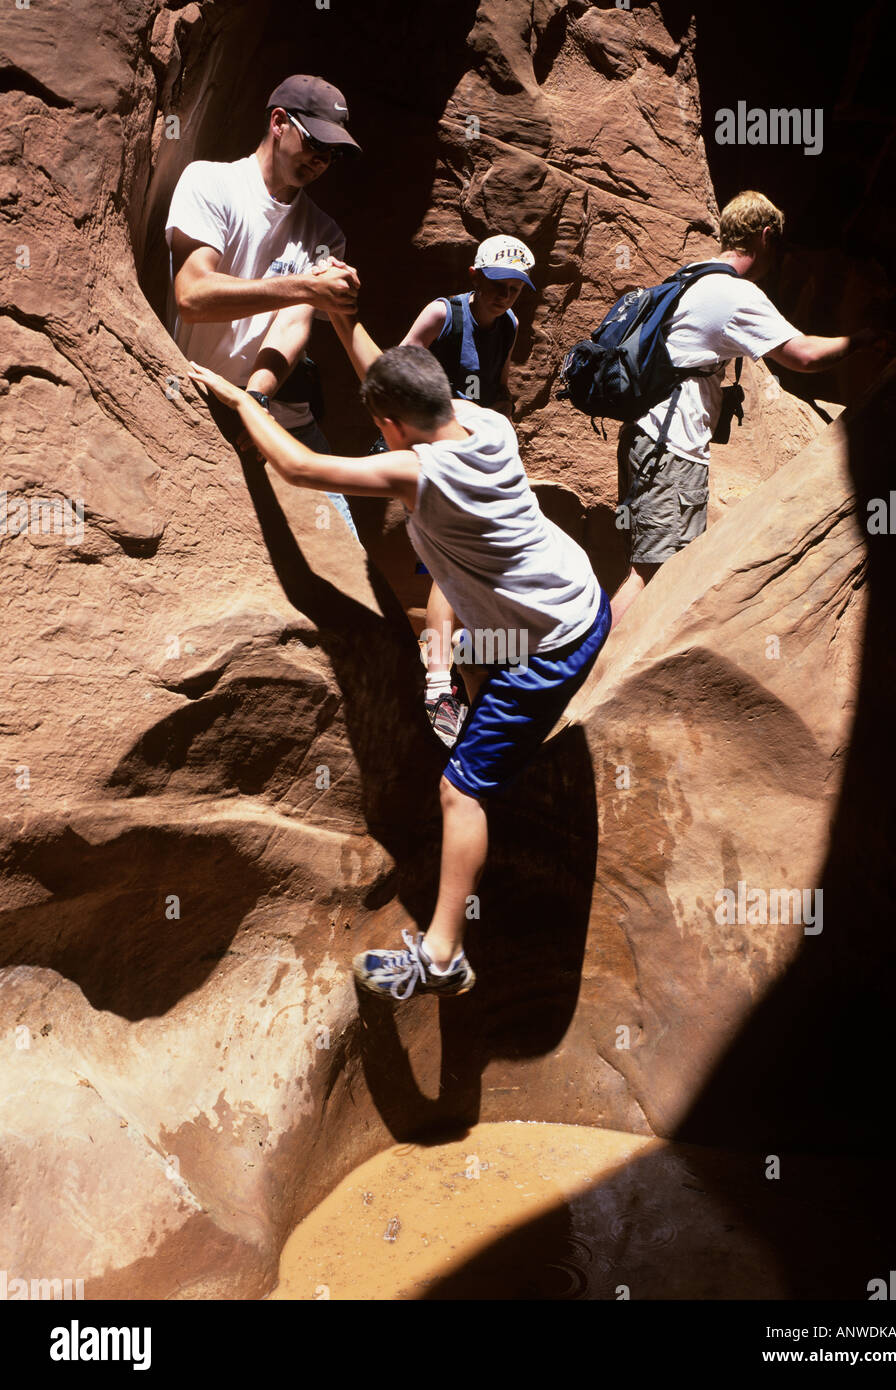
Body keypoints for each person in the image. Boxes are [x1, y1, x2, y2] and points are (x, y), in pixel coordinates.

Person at [187, 322, 610, 1002]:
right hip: (573, 594)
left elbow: (296, 467)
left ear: (390, 424)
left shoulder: (419, 473)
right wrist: (339, 319)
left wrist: (245, 405)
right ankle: (484, 734)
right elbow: (396, 374)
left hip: (548, 644)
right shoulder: (483, 424)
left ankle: (442, 955)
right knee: (456, 646)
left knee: (460, 790)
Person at [610, 190, 880, 626]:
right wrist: (862, 340)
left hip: (646, 437)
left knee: (649, 570)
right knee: (653, 577)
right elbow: (804, 355)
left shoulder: (691, 276)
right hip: (671, 446)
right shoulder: (734, 294)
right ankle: (584, 682)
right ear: (766, 236)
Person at [165, 74, 362, 534]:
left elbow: (293, 326)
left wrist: (255, 399)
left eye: (333, 154)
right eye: (316, 143)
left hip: (278, 416)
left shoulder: (325, 233)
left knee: (346, 551)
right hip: (198, 403)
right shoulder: (210, 183)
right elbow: (193, 296)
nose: (322, 160)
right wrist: (306, 287)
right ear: (279, 122)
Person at [379, 236, 537, 745]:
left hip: (470, 453)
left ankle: (460, 680)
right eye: (497, 285)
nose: (505, 296)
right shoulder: (442, 315)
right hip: (428, 448)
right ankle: (438, 683)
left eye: (514, 289)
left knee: (471, 564)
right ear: (475, 277)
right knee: (453, 564)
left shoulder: (508, 326)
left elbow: (498, 389)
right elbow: (394, 370)